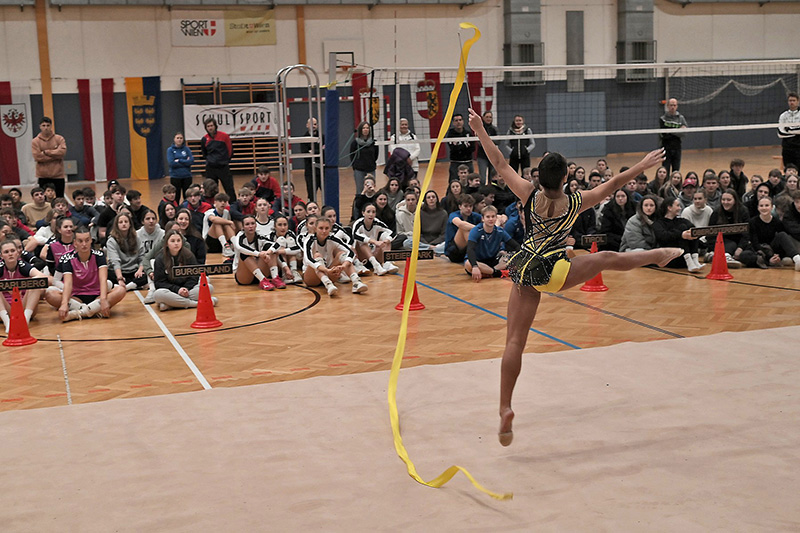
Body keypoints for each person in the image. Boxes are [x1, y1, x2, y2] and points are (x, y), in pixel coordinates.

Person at [470, 108, 679, 446]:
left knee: (514, 342)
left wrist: (479, 128)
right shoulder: (576, 201)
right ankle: (656, 255)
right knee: (606, 258)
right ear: (565, 180)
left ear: (539, 177)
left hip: (526, 270)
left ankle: (505, 408)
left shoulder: (527, 194)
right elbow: (613, 184)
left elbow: (498, 162)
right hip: (556, 271)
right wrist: (641, 166)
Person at [45, 226, 126, 321]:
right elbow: (68, 284)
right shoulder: (68, 260)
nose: (84, 244)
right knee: (49, 294)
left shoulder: (99, 255)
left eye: (87, 240)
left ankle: (78, 313)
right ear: (75, 243)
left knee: (121, 290)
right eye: (80, 241)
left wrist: (103, 299)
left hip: (97, 295)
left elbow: (103, 279)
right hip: (76, 297)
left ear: (91, 240)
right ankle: (93, 310)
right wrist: (64, 304)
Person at [302, 217, 367, 296]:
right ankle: (328, 285)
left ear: (330, 228)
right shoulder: (309, 240)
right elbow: (308, 259)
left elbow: (351, 252)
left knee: (342, 254)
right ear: (315, 229)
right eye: (321, 228)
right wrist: (326, 270)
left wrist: (343, 266)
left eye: (326, 228)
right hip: (312, 278)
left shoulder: (333, 238)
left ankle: (357, 282)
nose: (324, 231)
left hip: (329, 272)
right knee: (317, 255)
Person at [153, 230, 217, 311]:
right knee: (158, 294)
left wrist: (186, 288)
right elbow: (159, 283)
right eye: (172, 241)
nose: (176, 243)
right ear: (166, 244)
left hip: (188, 291)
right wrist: (178, 290)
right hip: (171, 291)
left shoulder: (188, 255)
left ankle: (172, 304)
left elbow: (194, 276)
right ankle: (196, 304)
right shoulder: (160, 259)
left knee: (209, 287)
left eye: (178, 240)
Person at [0, 238, 46, 332]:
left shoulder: (23, 265)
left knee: (36, 281)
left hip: (23, 306)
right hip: (5, 308)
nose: (10, 254)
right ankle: (7, 323)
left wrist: (19, 287)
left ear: (18, 253)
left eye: (13, 251)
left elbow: (42, 277)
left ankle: (25, 320)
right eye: (6, 252)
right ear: (1, 255)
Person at [465, 205, 520, 282]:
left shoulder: (500, 231)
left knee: (511, 259)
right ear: (483, 218)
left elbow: (515, 245)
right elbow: (470, 249)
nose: (491, 219)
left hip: (494, 261)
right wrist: (474, 266)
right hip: (479, 261)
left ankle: (488, 273)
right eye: (488, 217)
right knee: (468, 264)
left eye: (493, 216)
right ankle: (496, 273)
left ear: (496, 218)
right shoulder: (476, 230)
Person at [745, 196, 800, 270]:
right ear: (758, 208)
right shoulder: (753, 222)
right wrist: (769, 257)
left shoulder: (777, 222)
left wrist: (776, 255)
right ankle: (768, 262)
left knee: (782, 234)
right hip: (760, 251)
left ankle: (797, 258)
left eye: (767, 205)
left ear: (772, 207)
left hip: (772, 249)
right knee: (745, 255)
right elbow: (755, 243)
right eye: (761, 206)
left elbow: (784, 242)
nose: (764, 208)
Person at [652, 197, 704, 272]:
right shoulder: (658, 223)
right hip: (670, 258)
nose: (680, 208)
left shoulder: (681, 220)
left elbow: (694, 229)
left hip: (683, 257)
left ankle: (695, 260)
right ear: (669, 208)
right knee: (682, 229)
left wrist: (690, 233)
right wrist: (681, 234)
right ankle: (689, 260)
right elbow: (663, 236)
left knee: (691, 231)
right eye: (677, 206)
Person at [352, 203, 398, 275]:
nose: (371, 214)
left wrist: (387, 240)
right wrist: (374, 241)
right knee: (362, 240)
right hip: (362, 257)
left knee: (385, 236)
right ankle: (375, 265)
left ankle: (386, 263)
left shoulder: (377, 222)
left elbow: (393, 233)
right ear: (363, 213)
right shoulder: (358, 223)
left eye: (373, 212)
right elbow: (355, 235)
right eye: (368, 212)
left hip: (375, 253)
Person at [106, 212, 147, 292]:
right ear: (116, 225)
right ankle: (134, 285)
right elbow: (115, 261)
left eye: (126, 221)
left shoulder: (136, 238)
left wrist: (140, 270)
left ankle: (127, 287)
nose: (123, 224)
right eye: (120, 222)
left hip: (133, 271)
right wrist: (120, 278)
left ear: (130, 224)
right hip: (118, 271)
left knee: (146, 275)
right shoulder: (111, 241)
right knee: (107, 274)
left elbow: (142, 257)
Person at [708, 189, 749, 268]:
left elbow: (746, 234)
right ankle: (725, 257)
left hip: (738, 241)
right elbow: (710, 234)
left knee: (748, 255)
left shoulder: (743, 211)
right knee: (731, 244)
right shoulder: (716, 212)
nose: (725, 202)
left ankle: (716, 256)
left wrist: (740, 248)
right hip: (721, 242)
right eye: (723, 200)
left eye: (729, 200)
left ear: (735, 201)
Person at [31, 117, 67, 198]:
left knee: (60, 197)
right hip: (43, 175)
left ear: (51, 126)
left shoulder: (59, 138)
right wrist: (55, 155)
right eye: (43, 125)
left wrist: (46, 152)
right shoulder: (35, 141)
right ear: (40, 127)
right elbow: (37, 157)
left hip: (58, 175)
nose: (46, 128)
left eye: (48, 125)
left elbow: (62, 152)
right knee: (43, 198)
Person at [200, 117, 235, 199]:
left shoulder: (224, 136)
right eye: (208, 126)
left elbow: (230, 150)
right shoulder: (204, 139)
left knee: (229, 188)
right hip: (211, 168)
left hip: (223, 167)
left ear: (215, 126)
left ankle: (233, 205)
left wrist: (224, 161)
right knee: (210, 189)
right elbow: (204, 153)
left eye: (211, 125)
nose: (210, 128)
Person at [264, 215, 302, 285]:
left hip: (292, 260)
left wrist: (282, 251)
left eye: (285, 225)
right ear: (275, 227)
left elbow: (298, 249)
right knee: (281, 240)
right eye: (280, 225)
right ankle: (284, 274)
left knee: (290, 240)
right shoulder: (270, 236)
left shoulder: (290, 233)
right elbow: (272, 253)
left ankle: (294, 272)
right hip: (276, 264)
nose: (283, 227)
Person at [444, 194, 481, 264]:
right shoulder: (454, 215)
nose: (468, 209)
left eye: (470, 206)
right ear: (460, 206)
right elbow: (460, 224)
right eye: (466, 206)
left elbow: (487, 220)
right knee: (464, 228)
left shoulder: (475, 216)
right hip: (453, 250)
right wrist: (478, 228)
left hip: (466, 250)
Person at [659, 98, 688, 174]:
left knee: (676, 170)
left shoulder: (681, 118)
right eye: (671, 105)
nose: (673, 107)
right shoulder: (663, 119)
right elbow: (664, 134)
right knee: (665, 169)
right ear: (668, 106)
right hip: (666, 147)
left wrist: (670, 130)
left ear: (677, 106)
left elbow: (684, 133)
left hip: (677, 146)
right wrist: (677, 129)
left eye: (674, 105)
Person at [202, 193, 236, 258]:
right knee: (217, 223)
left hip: (223, 239)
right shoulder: (210, 212)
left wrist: (229, 222)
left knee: (226, 224)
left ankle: (235, 244)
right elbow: (214, 219)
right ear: (215, 202)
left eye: (225, 201)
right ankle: (225, 245)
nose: (222, 203)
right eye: (220, 201)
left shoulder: (226, 212)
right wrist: (230, 222)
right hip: (210, 240)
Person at [350, 121, 379, 193]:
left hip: (370, 169)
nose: (365, 130)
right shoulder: (355, 143)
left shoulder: (374, 142)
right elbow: (352, 156)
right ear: (360, 130)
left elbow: (375, 155)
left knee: (371, 189)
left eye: (367, 128)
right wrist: (355, 166)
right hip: (359, 170)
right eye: (364, 128)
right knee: (360, 190)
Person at [445, 113, 475, 182]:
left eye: (460, 120)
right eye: (456, 120)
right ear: (453, 123)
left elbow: (473, 148)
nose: (458, 122)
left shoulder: (468, 133)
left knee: (470, 182)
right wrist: (465, 146)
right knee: (453, 182)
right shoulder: (450, 134)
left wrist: (459, 147)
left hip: (468, 162)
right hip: (455, 163)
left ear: (463, 121)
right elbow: (453, 149)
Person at [166, 132, 194, 203]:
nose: (179, 140)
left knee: (187, 196)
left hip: (187, 176)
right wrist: (185, 161)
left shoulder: (186, 149)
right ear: (174, 139)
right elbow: (172, 163)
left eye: (181, 138)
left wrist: (179, 160)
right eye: (177, 138)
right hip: (175, 176)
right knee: (176, 197)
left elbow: (191, 161)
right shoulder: (170, 150)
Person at [778, 92, 800, 171]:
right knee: (788, 170)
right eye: (790, 100)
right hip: (787, 148)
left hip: (798, 148)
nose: (792, 102)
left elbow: (786, 131)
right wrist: (796, 130)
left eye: (794, 100)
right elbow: (780, 133)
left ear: (798, 101)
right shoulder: (783, 115)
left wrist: (789, 129)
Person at [475, 111, 498, 185]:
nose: (488, 118)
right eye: (487, 117)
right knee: (482, 178)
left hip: (492, 156)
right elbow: (479, 143)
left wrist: (487, 142)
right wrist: (490, 142)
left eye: (490, 117)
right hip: (482, 156)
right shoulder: (480, 129)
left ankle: (492, 193)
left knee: (493, 177)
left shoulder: (494, 129)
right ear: (483, 117)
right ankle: (482, 193)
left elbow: (498, 141)